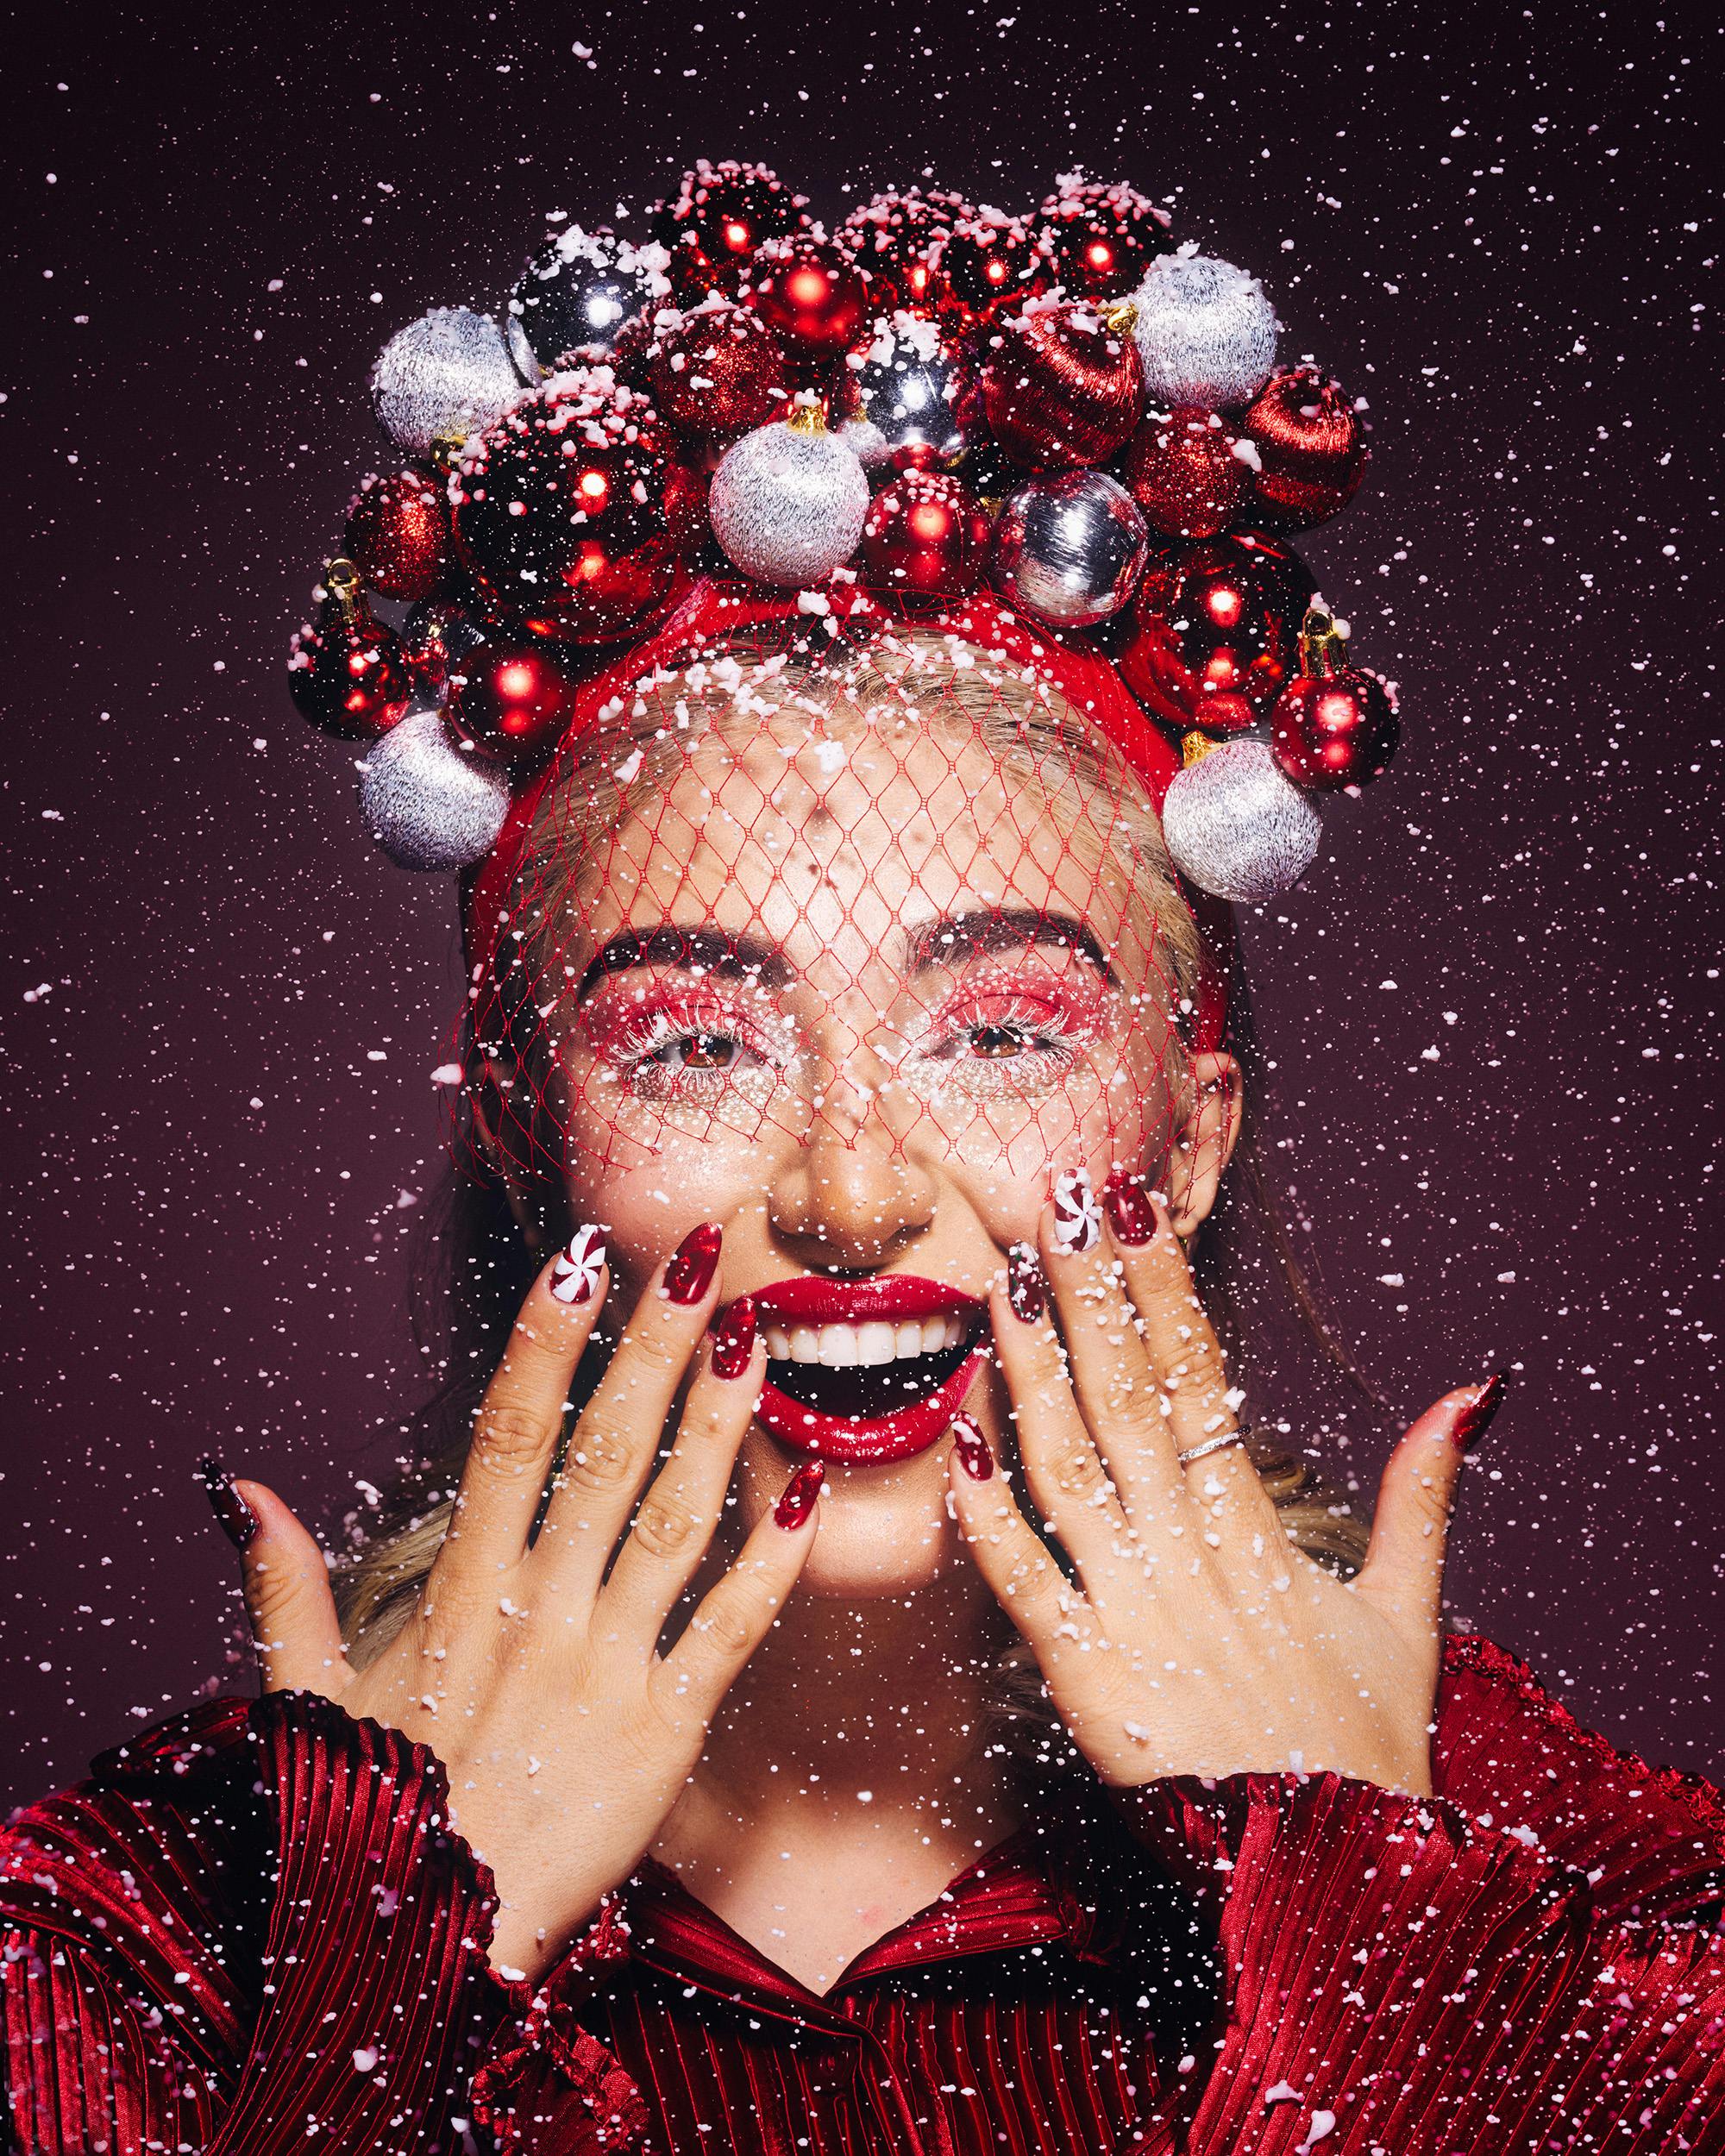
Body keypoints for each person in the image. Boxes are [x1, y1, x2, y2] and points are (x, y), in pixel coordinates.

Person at [5, 172, 1723, 2156]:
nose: (845, 1191)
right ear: (526, 1128)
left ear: (1190, 1131)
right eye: (697, 1039)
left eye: (999, 1030)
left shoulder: (1593, 1909)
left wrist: (1370, 1948)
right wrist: (389, 1964)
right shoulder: (147, 1929)